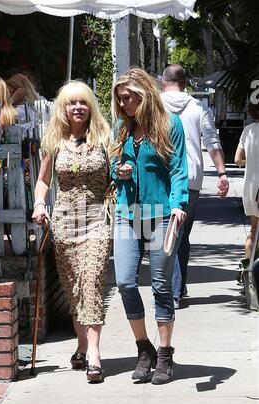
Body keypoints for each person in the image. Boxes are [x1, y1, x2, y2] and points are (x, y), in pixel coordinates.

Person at [110, 68, 188, 384]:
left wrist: (177, 206)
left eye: (129, 97)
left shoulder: (171, 125)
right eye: (120, 99)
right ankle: (144, 349)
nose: (124, 103)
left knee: (160, 284)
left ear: (145, 94)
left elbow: (179, 170)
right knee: (126, 282)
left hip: (161, 215)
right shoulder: (122, 127)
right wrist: (120, 172)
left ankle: (165, 355)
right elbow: (114, 169)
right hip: (127, 214)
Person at [32, 80, 111, 383]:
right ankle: (81, 345)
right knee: (74, 289)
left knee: (91, 281)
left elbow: (117, 172)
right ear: (63, 108)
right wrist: (40, 203)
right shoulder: (53, 142)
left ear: (90, 106)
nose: (78, 107)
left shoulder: (104, 139)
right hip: (64, 224)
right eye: (71, 103)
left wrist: (123, 172)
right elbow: (43, 180)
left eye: (83, 102)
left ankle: (94, 354)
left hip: (96, 220)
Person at [161, 64, 229, 307]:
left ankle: (174, 291)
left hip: (162, 177)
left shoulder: (154, 105)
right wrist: (222, 173)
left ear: (162, 81)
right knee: (182, 234)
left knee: (167, 234)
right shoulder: (198, 107)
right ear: (185, 83)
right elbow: (212, 140)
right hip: (191, 179)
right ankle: (179, 286)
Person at [235, 101, 259, 260]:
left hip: (250, 186)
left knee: (254, 229)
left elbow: (237, 159)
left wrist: (250, 162)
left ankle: (249, 271)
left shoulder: (248, 130)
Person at [6, 73, 39, 139]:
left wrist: (12, 100)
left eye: (10, 92)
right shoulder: (30, 107)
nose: (7, 96)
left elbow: (1, 117)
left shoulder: (21, 110)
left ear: (21, 92)